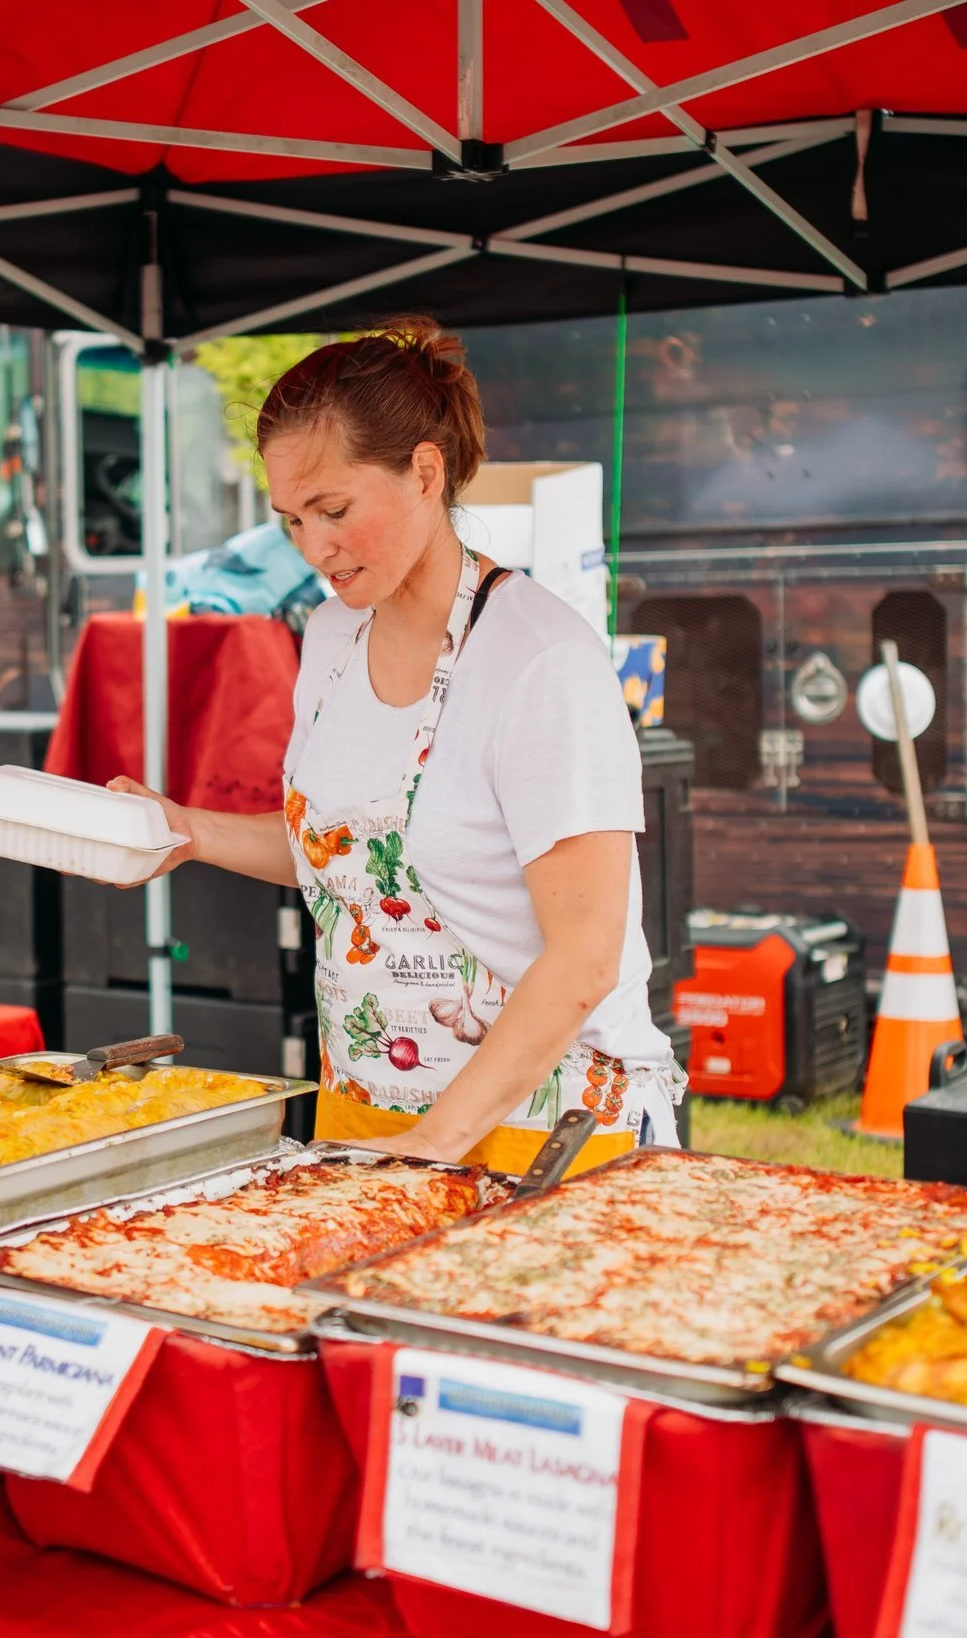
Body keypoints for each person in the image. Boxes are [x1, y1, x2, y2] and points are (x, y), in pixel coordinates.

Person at [116, 319, 683, 1172]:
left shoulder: (541, 661)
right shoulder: (329, 640)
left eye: (335, 511)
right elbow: (339, 852)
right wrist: (184, 831)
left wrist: (435, 1144)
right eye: (292, 520)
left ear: (426, 472)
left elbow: (585, 956)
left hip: (544, 1131)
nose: (314, 549)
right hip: (370, 1114)